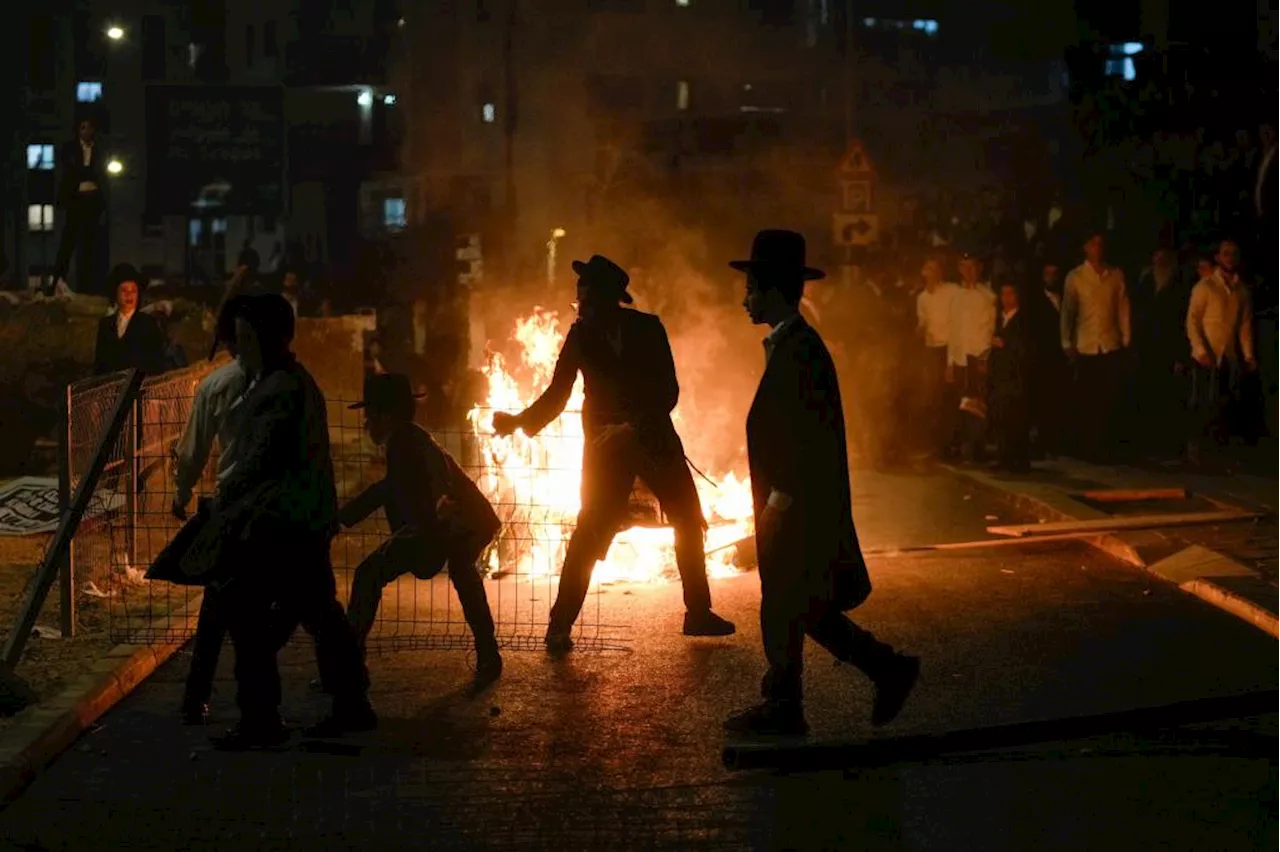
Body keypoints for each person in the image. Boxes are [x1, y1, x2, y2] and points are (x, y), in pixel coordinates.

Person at [724, 230, 918, 737]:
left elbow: (806, 437)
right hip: (794, 504)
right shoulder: (789, 345)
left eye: (750, 288)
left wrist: (778, 503)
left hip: (798, 507)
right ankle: (882, 670)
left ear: (771, 289)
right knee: (800, 603)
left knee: (789, 600)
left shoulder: (801, 350)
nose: (744, 298)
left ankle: (790, 703)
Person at [492, 254, 735, 651]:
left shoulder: (649, 329)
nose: (580, 310)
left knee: (689, 520)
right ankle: (559, 625)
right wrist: (519, 421)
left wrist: (634, 426)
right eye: (578, 303)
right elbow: (558, 393)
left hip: (654, 440)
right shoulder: (580, 337)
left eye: (586, 302)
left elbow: (668, 390)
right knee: (589, 532)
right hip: (607, 452)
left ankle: (699, 614)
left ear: (610, 300)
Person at [183, 293, 374, 749]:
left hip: (280, 523)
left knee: (250, 618)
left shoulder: (279, 390)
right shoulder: (281, 381)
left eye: (248, 338)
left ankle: (263, 720)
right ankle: (351, 704)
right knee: (321, 615)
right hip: (296, 519)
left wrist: (226, 498)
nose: (239, 348)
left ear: (271, 338)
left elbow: (257, 460)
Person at [338, 373, 503, 683]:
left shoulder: (406, 442)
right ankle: (488, 654)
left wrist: (424, 529)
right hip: (457, 522)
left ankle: (347, 667)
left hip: (460, 523)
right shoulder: (406, 439)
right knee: (460, 572)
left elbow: (429, 489)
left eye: (369, 415)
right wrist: (344, 517)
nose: (365, 423)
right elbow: (389, 488)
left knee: (372, 574)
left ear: (386, 416)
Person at [169, 295, 254, 724]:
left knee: (219, 606)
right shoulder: (294, 382)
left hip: (236, 505)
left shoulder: (217, 385)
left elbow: (192, 453)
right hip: (282, 507)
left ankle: (198, 697)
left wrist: (181, 494)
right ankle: (346, 694)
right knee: (305, 603)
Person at [1060, 229, 1131, 461]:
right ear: (1085, 248)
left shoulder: (1115, 275)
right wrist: (1066, 341)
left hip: (1110, 343)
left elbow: (1122, 308)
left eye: (1100, 245)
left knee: (1108, 397)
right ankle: (1086, 446)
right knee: (1087, 399)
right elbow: (1068, 311)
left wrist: (1126, 337)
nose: (1097, 249)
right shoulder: (1076, 277)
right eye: (1093, 245)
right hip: (1086, 344)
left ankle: (1105, 446)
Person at [1186, 239, 1257, 464]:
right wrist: (1199, 349)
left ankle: (1217, 453)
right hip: (1207, 355)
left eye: (1234, 254)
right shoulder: (1205, 286)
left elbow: (1245, 326)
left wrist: (1248, 355)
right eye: (1225, 254)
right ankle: (1196, 452)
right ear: (1217, 257)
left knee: (1224, 404)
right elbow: (1192, 320)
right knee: (1202, 403)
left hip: (1229, 356)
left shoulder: (1241, 291)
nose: (1230, 258)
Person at [1131, 247, 1191, 457]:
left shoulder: (1179, 287)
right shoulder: (1145, 282)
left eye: (1166, 255)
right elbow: (1136, 316)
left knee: (1165, 396)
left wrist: (1180, 356)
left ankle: (1165, 446)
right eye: (1158, 254)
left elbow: (1184, 322)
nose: (1161, 259)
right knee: (1144, 394)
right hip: (1146, 347)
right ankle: (1144, 444)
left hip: (1168, 348)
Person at [945, 252, 997, 462]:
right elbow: (953, 329)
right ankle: (962, 445)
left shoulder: (988, 295)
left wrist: (985, 356)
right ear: (959, 268)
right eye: (965, 267)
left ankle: (978, 448)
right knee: (961, 403)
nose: (969, 271)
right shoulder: (955, 296)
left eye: (973, 267)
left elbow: (990, 329)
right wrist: (949, 362)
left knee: (978, 405)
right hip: (960, 357)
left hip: (978, 356)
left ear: (980, 268)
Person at [51, 117, 107, 297]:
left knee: (90, 244)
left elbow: (103, 175)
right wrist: (78, 187)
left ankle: (88, 286)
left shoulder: (100, 150)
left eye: (90, 127)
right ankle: (57, 282)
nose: (87, 131)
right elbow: (67, 173)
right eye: (83, 127)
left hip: (93, 203)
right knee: (69, 241)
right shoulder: (69, 149)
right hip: (75, 202)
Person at [915, 255, 959, 458]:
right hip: (931, 350)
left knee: (950, 398)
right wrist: (920, 329)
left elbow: (956, 323)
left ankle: (951, 445)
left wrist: (951, 362)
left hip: (949, 348)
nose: (930, 273)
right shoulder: (922, 298)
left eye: (934, 269)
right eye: (927, 269)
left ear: (940, 273)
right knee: (932, 398)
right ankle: (935, 444)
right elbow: (923, 322)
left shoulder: (951, 291)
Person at [92, 264, 168, 376]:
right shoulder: (105, 324)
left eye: (133, 291)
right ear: (115, 294)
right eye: (124, 291)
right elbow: (100, 365)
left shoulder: (147, 323)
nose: (129, 295)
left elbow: (156, 363)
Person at [989, 283, 1033, 473]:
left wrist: (1005, 344)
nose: (1007, 298)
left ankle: (1019, 460)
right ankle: (1004, 457)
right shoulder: (999, 319)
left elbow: (1026, 347)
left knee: (1017, 418)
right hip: (1000, 376)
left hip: (1017, 377)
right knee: (1002, 417)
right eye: (1003, 294)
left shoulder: (1024, 320)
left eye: (1011, 293)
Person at [1027, 263, 1066, 457]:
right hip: (1042, 357)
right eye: (1048, 274)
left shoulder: (1064, 297)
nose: (1052, 278)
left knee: (1057, 400)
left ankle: (1054, 441)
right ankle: (1040, 442)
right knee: (1041, 401)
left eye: (1055, 274)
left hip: (1060, 356)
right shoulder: (1036, 301)